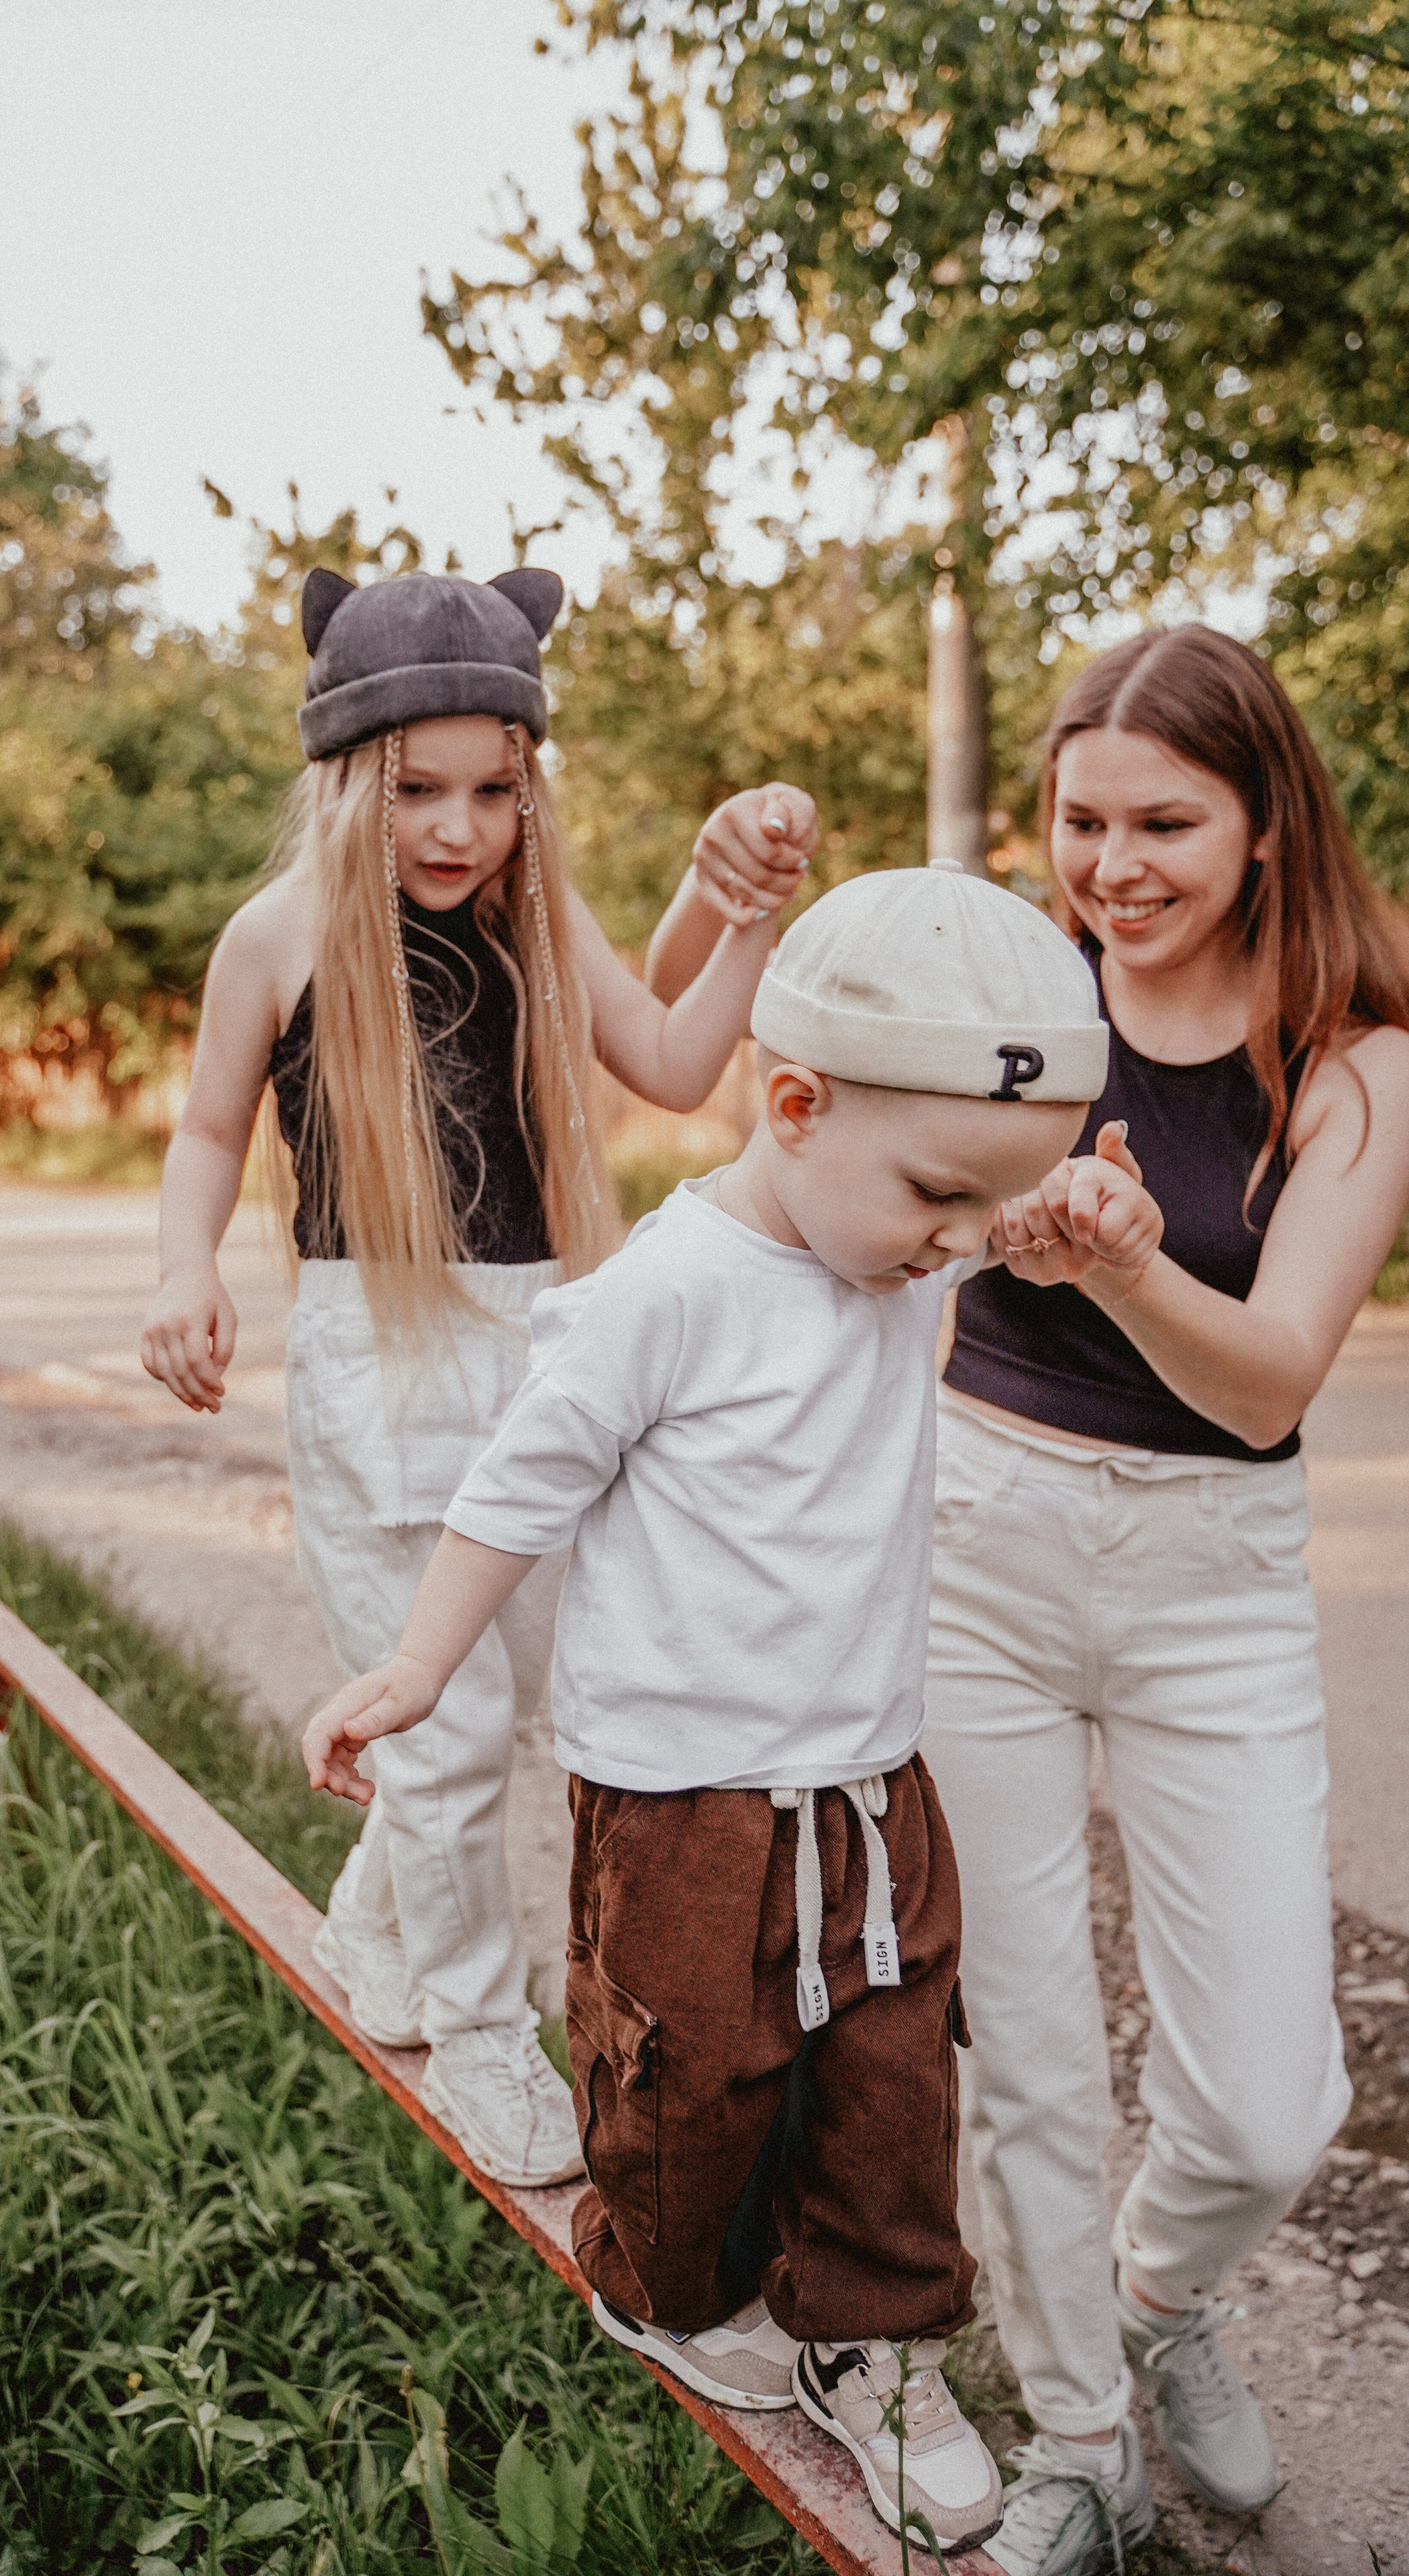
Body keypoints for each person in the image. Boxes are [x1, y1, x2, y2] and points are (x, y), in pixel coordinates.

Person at [650, 627, 1409, 2571]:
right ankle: (1080, 2429)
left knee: (1265, 2109)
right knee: (1033, 2058)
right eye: (1082, 820)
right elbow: (742, 1102)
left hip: (1211, 1583)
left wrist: (1127, 1266)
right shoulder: (1008, 991)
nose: (1114, 864)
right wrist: (722, 889)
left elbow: (1270, 1378)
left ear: (1264, 829)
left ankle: (1165, 2304)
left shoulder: (1350, 1055)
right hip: (971, 1543)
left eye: (1168, 823)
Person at [302, 863, 1149, 2559]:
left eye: (977, 1213)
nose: (954, 1244)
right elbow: (513, 1489)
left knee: (891, 2084)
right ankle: (666, 2287)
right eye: (936, 1201)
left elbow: (1025, 1219)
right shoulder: (662, 1292)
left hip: (866, 1780)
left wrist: (1070, 1218)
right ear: (788, 1103)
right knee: (689, 2084)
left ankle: (874, 2334)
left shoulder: (898, 1234)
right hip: (683, 1796)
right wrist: (415, 1665)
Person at [140, 565, 813, 2191]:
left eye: (493, 790)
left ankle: (384, 1928)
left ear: (530, 782)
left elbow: (664, 1057)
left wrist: (750, 919)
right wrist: (183, 1267)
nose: (456, 828)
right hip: (372, 1350)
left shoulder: (531, 916)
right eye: (415, 790)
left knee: (503, 1710)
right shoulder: (281, 933)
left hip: (540, 1346)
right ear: (345, 774)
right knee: (433, 1734)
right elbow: (210, 1126)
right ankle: (475, 2025)